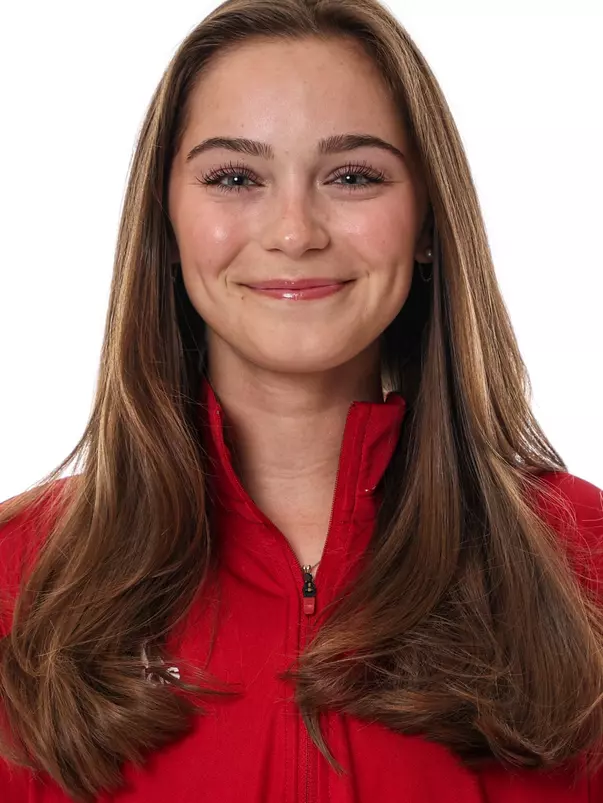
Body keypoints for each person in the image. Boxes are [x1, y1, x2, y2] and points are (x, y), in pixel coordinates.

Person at [1, 0, 602, 800]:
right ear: (166, 220)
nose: (293, 231)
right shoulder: (17, 581)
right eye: (234, 176)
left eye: (352, 175)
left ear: (425, 221)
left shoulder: (586, 563)